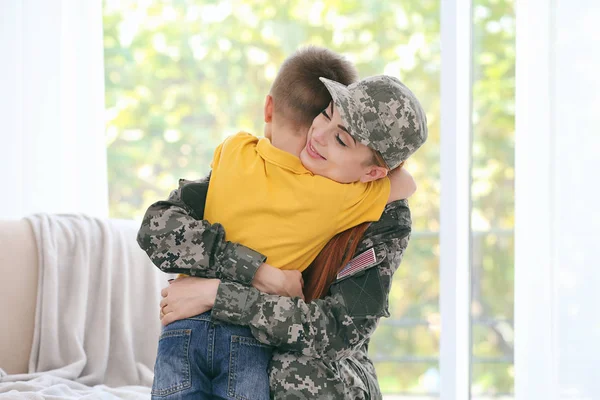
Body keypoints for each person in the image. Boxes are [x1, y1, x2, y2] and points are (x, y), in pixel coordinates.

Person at [138, 53, 427, 399]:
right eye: (325, 115)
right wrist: (256, 271)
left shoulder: (383, 215)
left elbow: (337, 332)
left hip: (323, 367)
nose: (318, 136)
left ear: (373, 173)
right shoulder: (268, 165)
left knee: (298, 371)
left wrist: (218, 294)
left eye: (341, 140)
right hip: (231, 342)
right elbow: (159, 227)